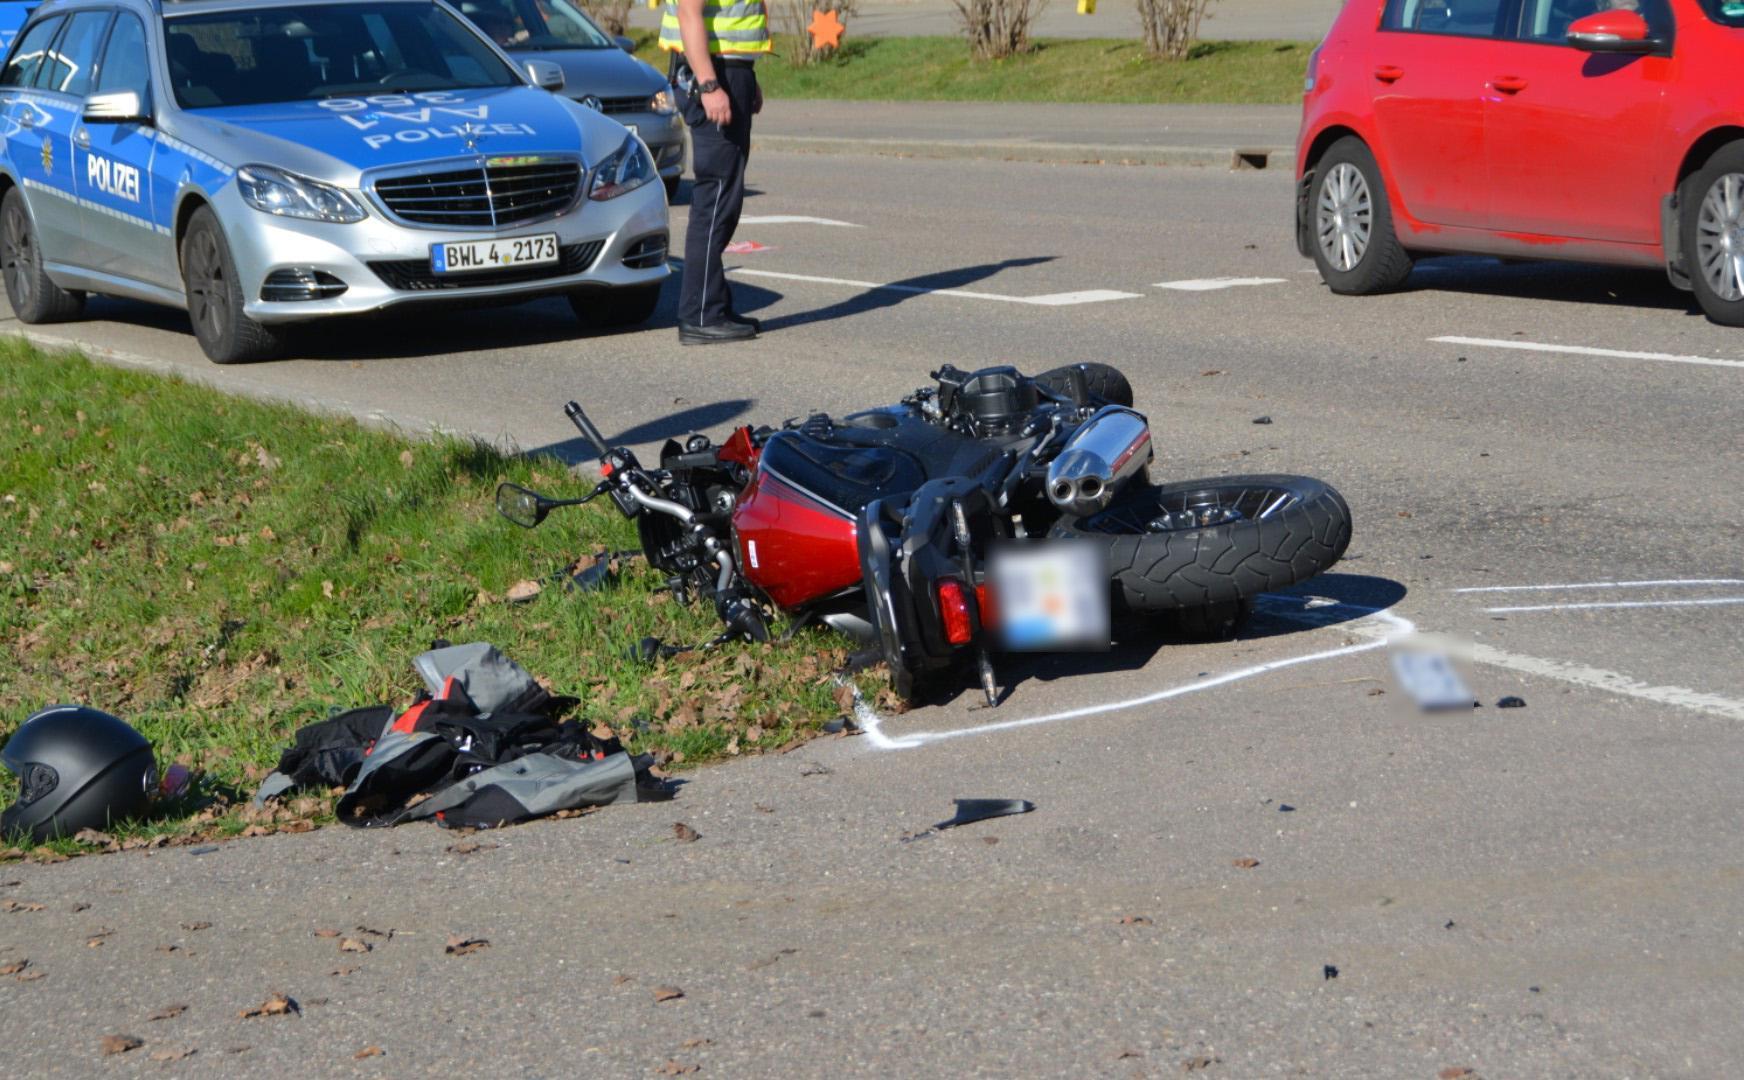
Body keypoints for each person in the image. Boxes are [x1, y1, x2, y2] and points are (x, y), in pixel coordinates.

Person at [660, 0, 771, 345]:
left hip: (726, 71)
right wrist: (710, 85)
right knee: (715, 198)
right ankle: (701, 315)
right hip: (712, 73)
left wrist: (746, 78)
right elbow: (689, 13)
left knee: (723, 198)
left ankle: (714, 305)